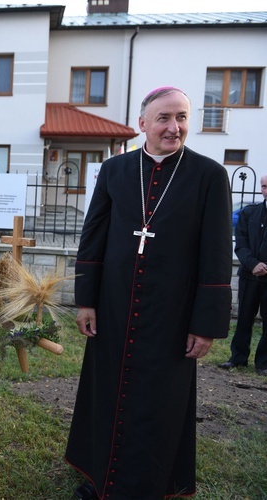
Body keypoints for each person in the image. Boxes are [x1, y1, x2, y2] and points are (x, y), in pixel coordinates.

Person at [65, 87, 233, 499]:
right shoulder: (115, 170)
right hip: (114, 307)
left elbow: (216, 252)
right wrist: (86, 300)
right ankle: (100, 479)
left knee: (160, 402)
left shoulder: (209, 175)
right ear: (143, 124)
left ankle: (148, 485)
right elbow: (94, 238)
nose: (174, 127)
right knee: (106, 393)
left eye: (181, 117)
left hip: (172, 314)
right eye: (163, 118)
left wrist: (206, 324)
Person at [220, 175, 267, 376]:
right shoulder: (250, 213)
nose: (266, 190)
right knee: (244, 318)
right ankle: (238, 358)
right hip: (250, 275)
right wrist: (253, 264)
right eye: (264, 186)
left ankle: (263, 364)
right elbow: (241, 242)